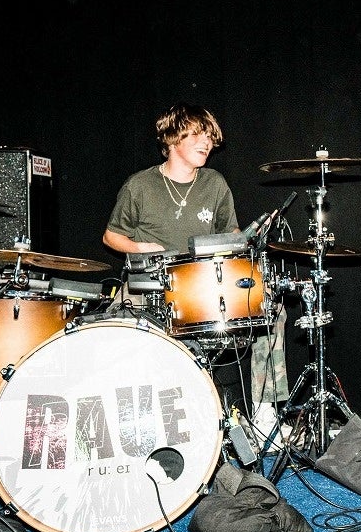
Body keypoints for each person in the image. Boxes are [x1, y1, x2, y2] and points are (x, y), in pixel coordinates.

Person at [103, 103, 289, 451]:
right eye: (199, 135)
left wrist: (244, 241)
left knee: (272, 311)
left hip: (203, 286)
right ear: (173, 138)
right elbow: (111, 236)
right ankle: (129, 427)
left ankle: (265, 415)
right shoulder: (140, 185)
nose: (207, 143)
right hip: (151, 285)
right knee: (113, 327)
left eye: (210, 138)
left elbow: (231, 234)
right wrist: (140, 247)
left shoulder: (214, 184)